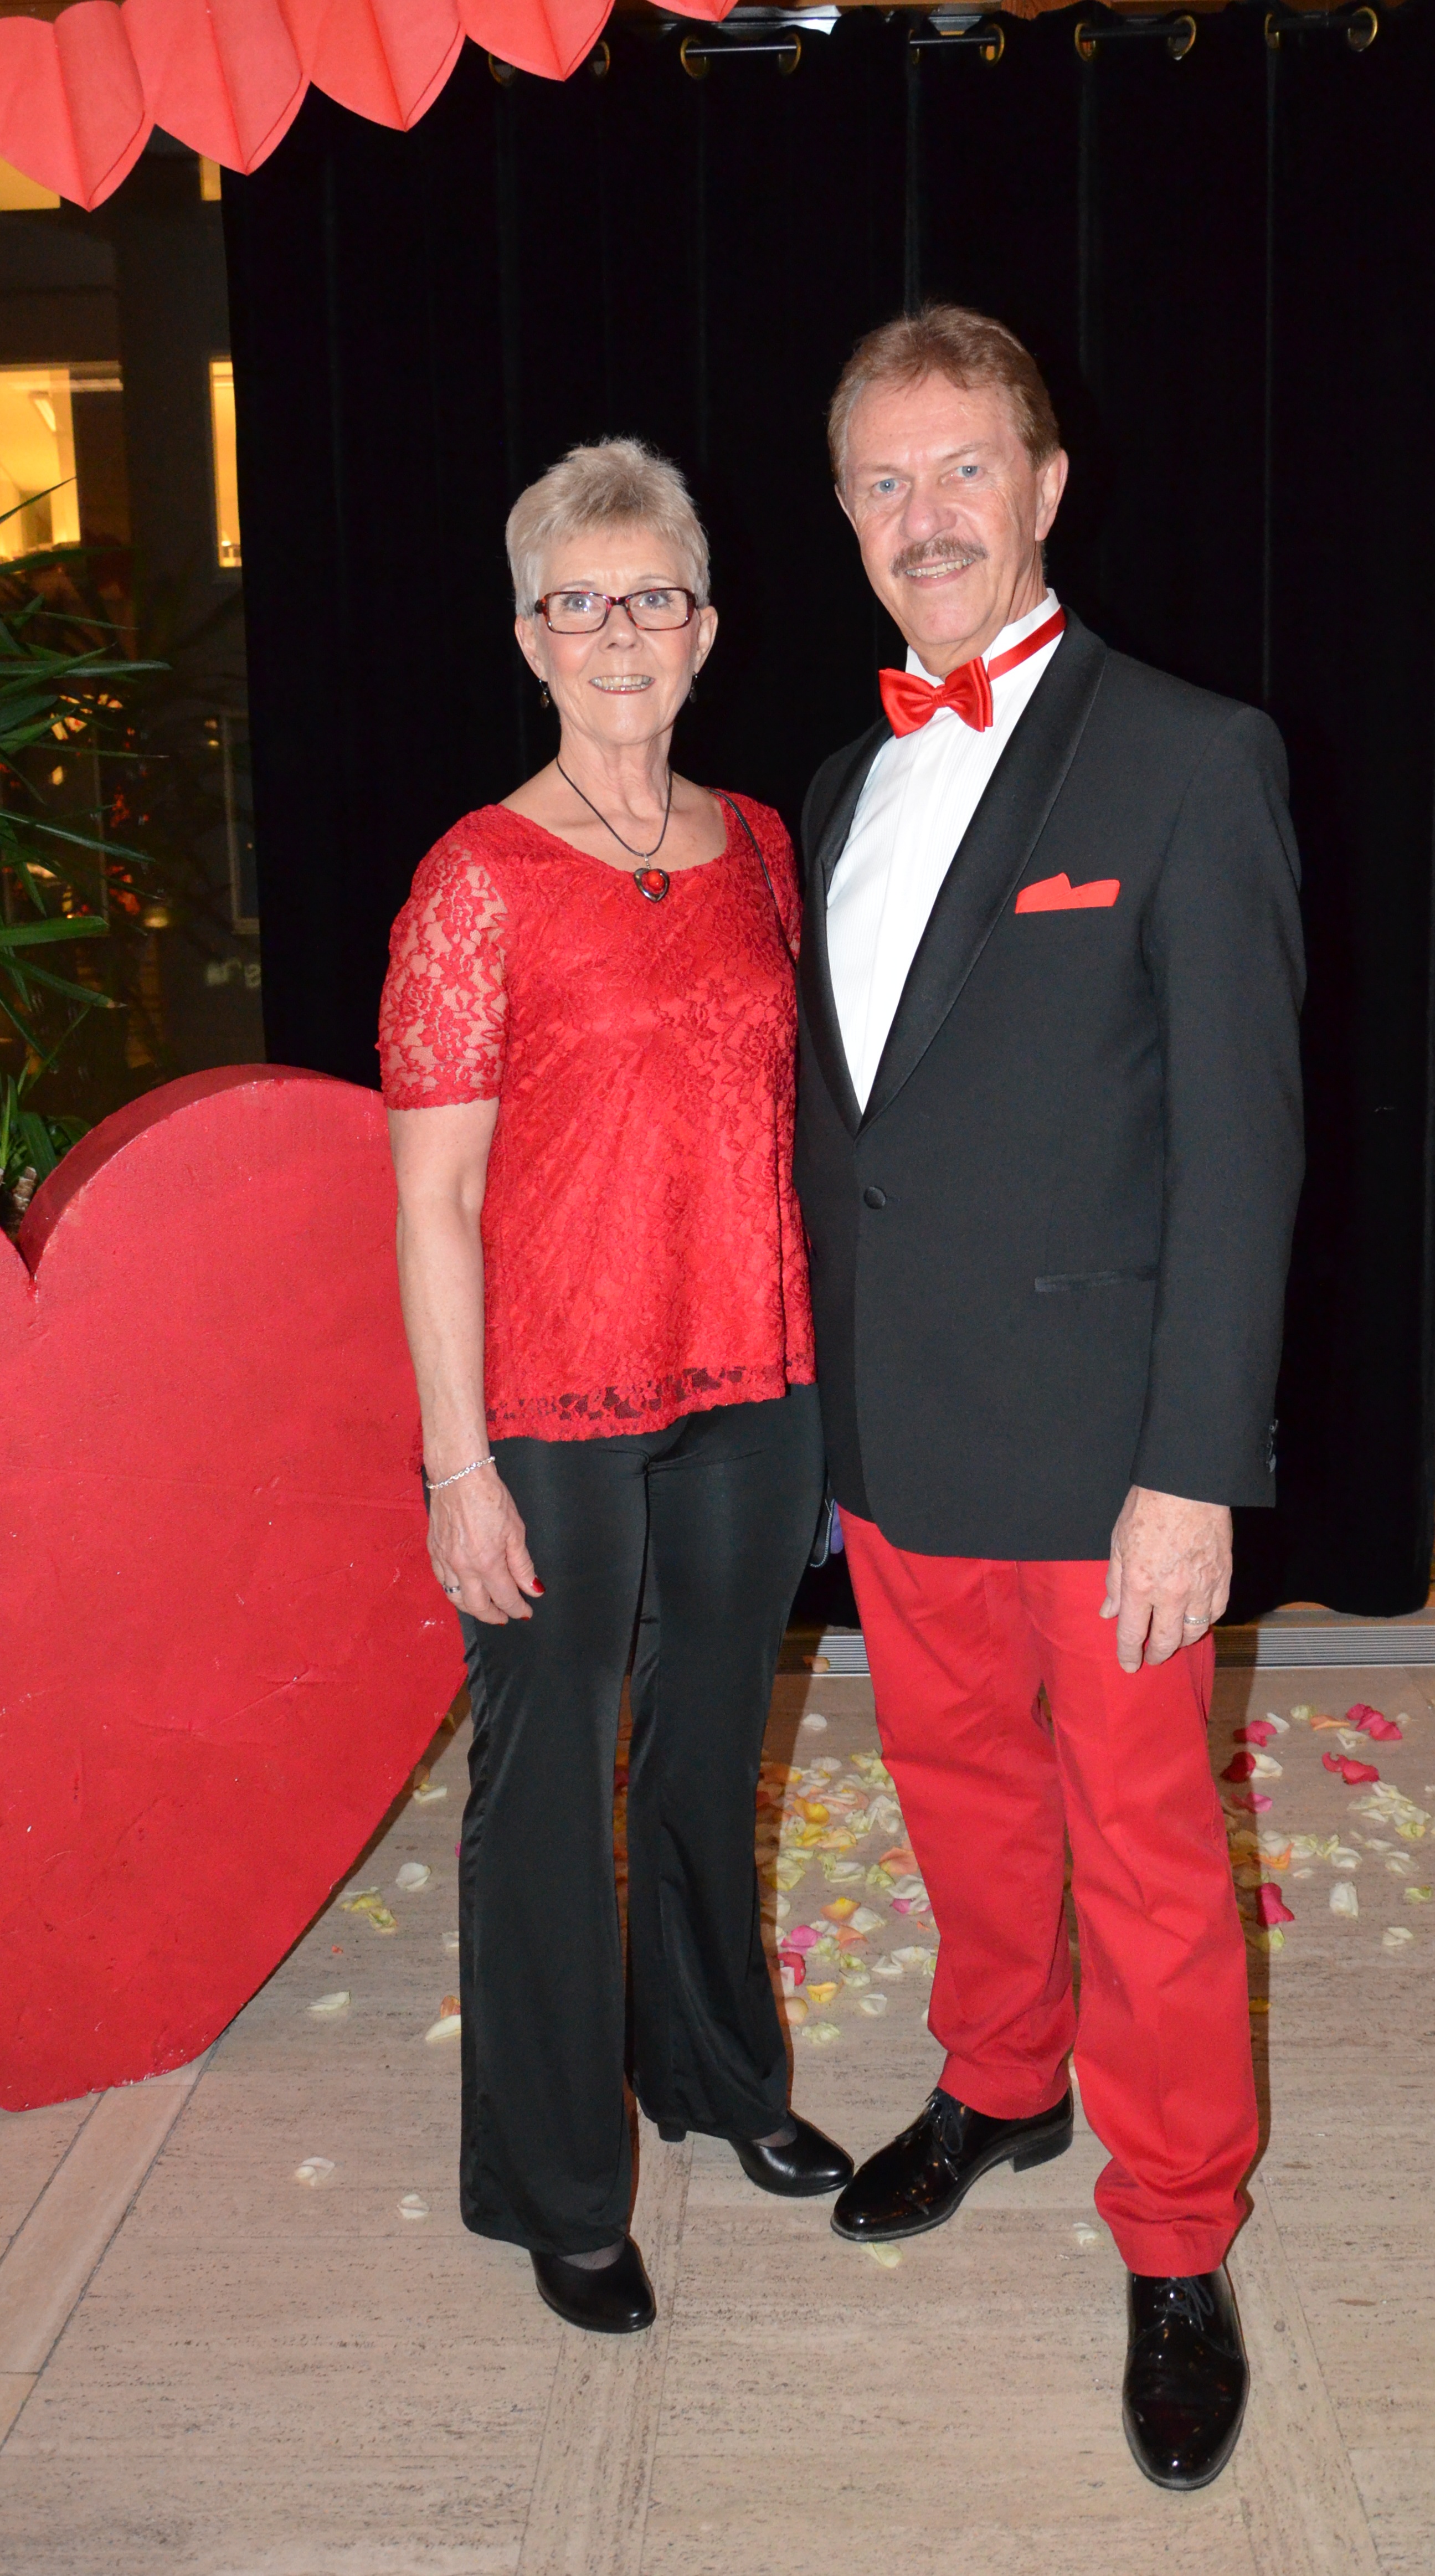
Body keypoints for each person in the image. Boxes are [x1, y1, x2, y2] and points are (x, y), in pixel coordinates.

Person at [794, 308, 1304, 2489]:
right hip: (898, 1430)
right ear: (845, 513)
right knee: (959, 1795)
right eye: (883, 480)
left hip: (1108, 1455)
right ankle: (1002, 2077)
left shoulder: (1191, 753)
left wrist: (1194, 1464)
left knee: (1151, 1857)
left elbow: (1245, 1144)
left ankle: (1175, 2232)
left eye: (963, 467)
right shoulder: (840, 783)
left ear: (1046, 484)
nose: (926, 515)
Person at [379, 438, 851, 2338]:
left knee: (708, 1754)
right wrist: (456, 1465)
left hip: (749, 1378)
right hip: (550, 1406)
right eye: (579, 602)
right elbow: (434, 1197)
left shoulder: (761, 846)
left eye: (653, 594)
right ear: (530, 639)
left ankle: (717, 2076)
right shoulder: (476, 879)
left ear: (707, 626)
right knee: (550, 1784)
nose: (621, 632)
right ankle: (559, 2185)